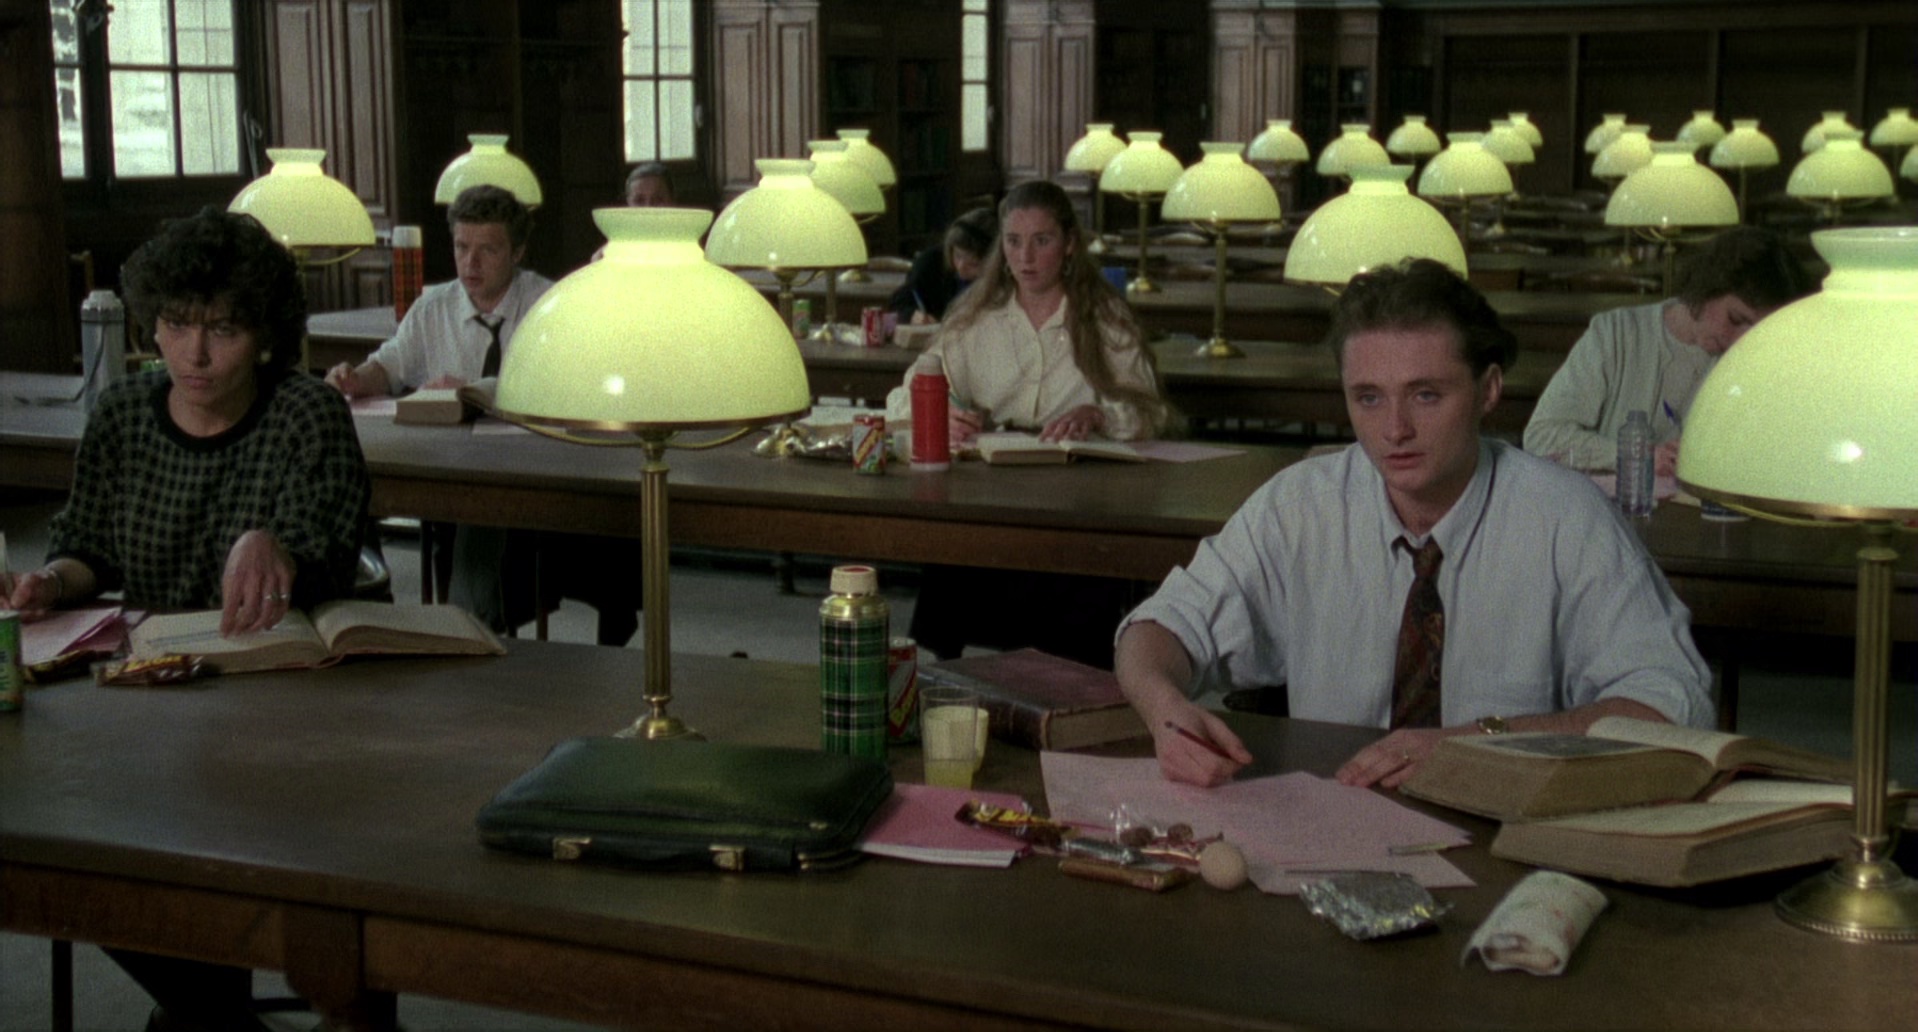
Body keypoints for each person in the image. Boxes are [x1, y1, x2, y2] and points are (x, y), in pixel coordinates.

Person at [1114, 259, 1713, 792]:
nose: (1394, 429)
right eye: (1368, 398)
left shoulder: (1567, 518)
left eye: (1425, 396)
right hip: (1339, 814)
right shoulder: (1302, 506)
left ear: (1488, 390)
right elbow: (1161, 626)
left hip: (1507, 825)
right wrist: (1166, 712)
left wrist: (1479, 740)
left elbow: (1672, 703)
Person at [2, 206, 370, 1032]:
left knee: (206, 839)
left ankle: (205, 1016)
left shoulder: (305, 412)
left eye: (223, 331)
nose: (195, 355)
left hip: (278, 709)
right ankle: (211, 1016)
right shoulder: (123, 414)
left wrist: (272, 544)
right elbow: (87, 546)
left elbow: (329, 551)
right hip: (143, 698)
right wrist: (49, 583)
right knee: (70, 841)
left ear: (263, 335)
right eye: (175, 325)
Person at [890, 180, 1171, 667]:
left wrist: (1099, 414)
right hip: (992, 497)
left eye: (1042, 240)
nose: (1026, 257)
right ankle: (944, 676)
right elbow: (903, 396)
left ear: (1069, 244)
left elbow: (1152, 413)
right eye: (1014, 241)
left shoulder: (1104, 319)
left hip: (1079, 502)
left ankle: (1073, 684)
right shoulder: (976, 320)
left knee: (1079, 574)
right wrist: (936, 414)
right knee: (954, 549)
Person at [1522, 227, 1813, 473]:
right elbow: (1541, 436)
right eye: (1735, 319)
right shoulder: (1616, 333)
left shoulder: (1752, 360)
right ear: (1708, 287)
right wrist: (1636, 455)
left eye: (1756, 330)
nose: (1740, 340)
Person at [886, 206, 995, 324]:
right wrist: (911, 315)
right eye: (957, 256)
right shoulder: (932, 262)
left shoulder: (1001, 282)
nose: (961, 267)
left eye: (973, 263)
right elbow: (898, 303)